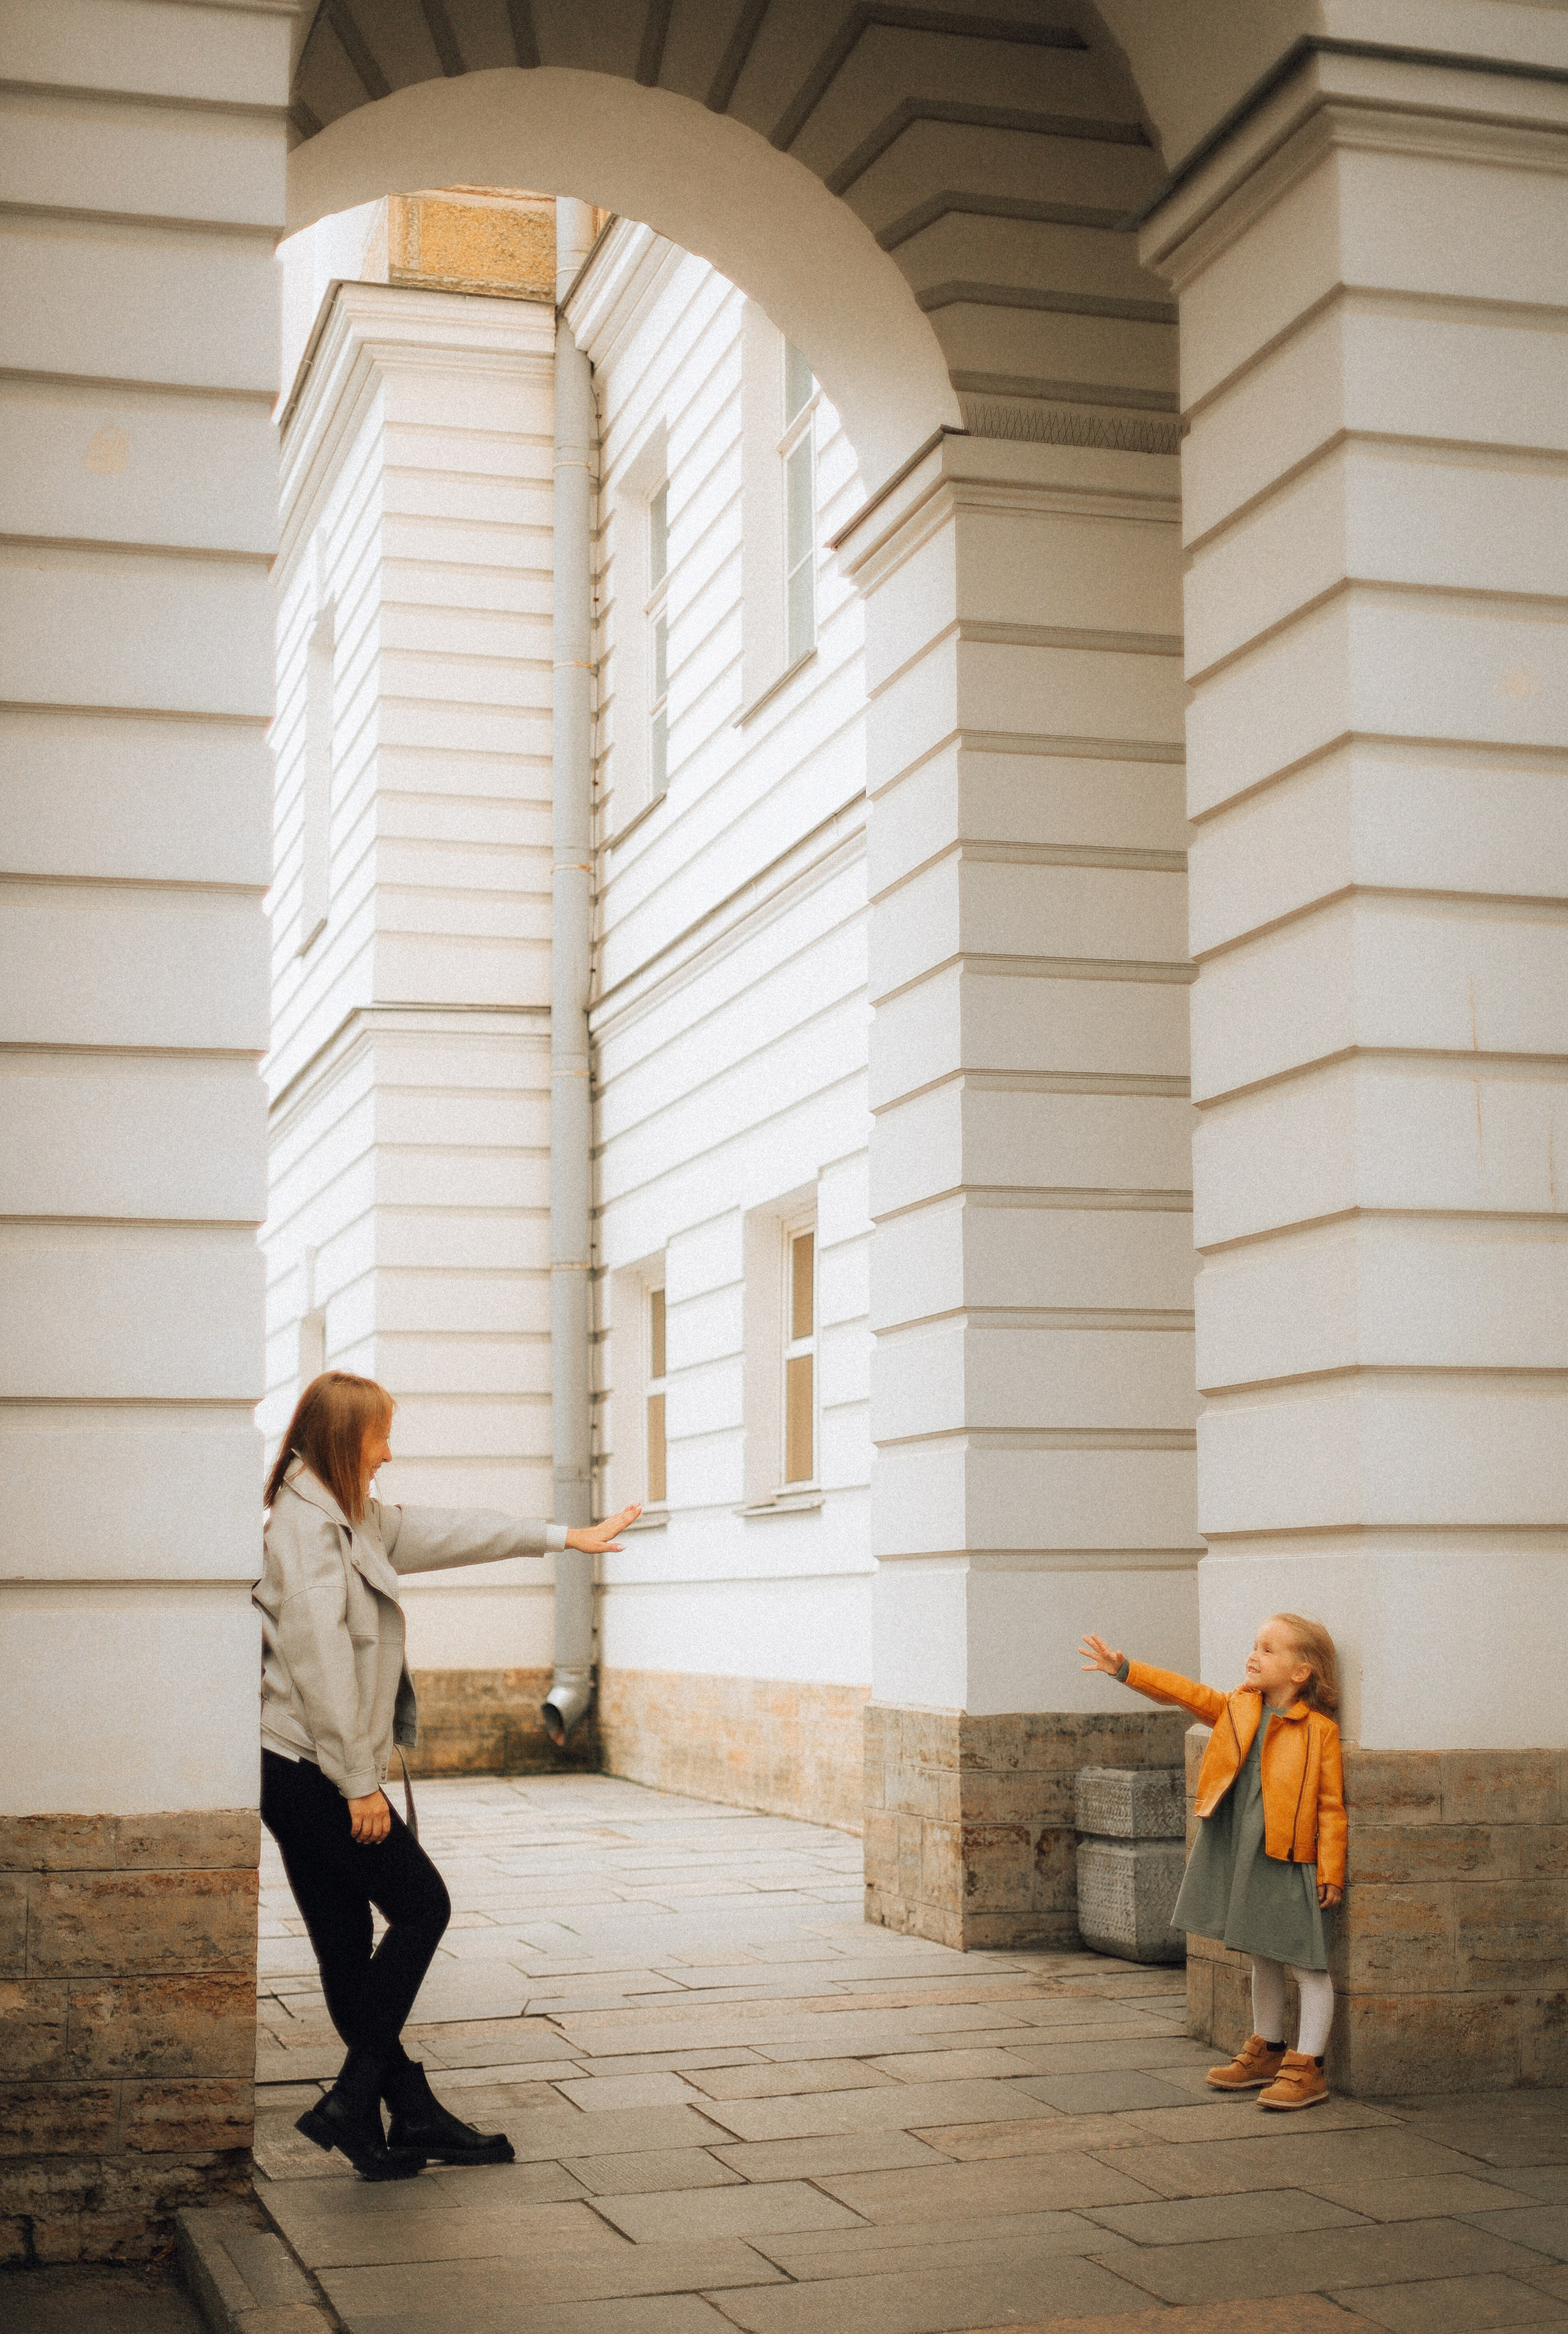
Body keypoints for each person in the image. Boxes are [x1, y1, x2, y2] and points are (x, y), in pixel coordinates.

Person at [256, 1370, 638, 2179]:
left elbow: (452, 1530)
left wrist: (563, 1535)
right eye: (379, 1437)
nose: (389, 1452)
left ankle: (391, 2114)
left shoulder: (347, 1516)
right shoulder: (308, 1529)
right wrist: (360, 1782)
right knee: (422, 1904)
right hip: (312, 1768)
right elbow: (319, 1659)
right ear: (341, 1440)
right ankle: (363, 2099)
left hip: (301, 1766)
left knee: (348, 1950)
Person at [1079, 1614, 1346, 2110]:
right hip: (1241, 1844)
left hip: (1288, 1854)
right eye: (1255, 1646)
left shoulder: (1319, 1733)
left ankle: (1309, 2066)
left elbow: (1331, 1808)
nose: (1254, 1655)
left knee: (1308, 1961)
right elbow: (1183, 1693)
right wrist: (1125, 1670)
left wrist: (1330, 1869)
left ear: (1301, 1673)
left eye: (1268, 1650)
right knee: (1260, 1949)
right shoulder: (1236, 1707)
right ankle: (1267, 2047)